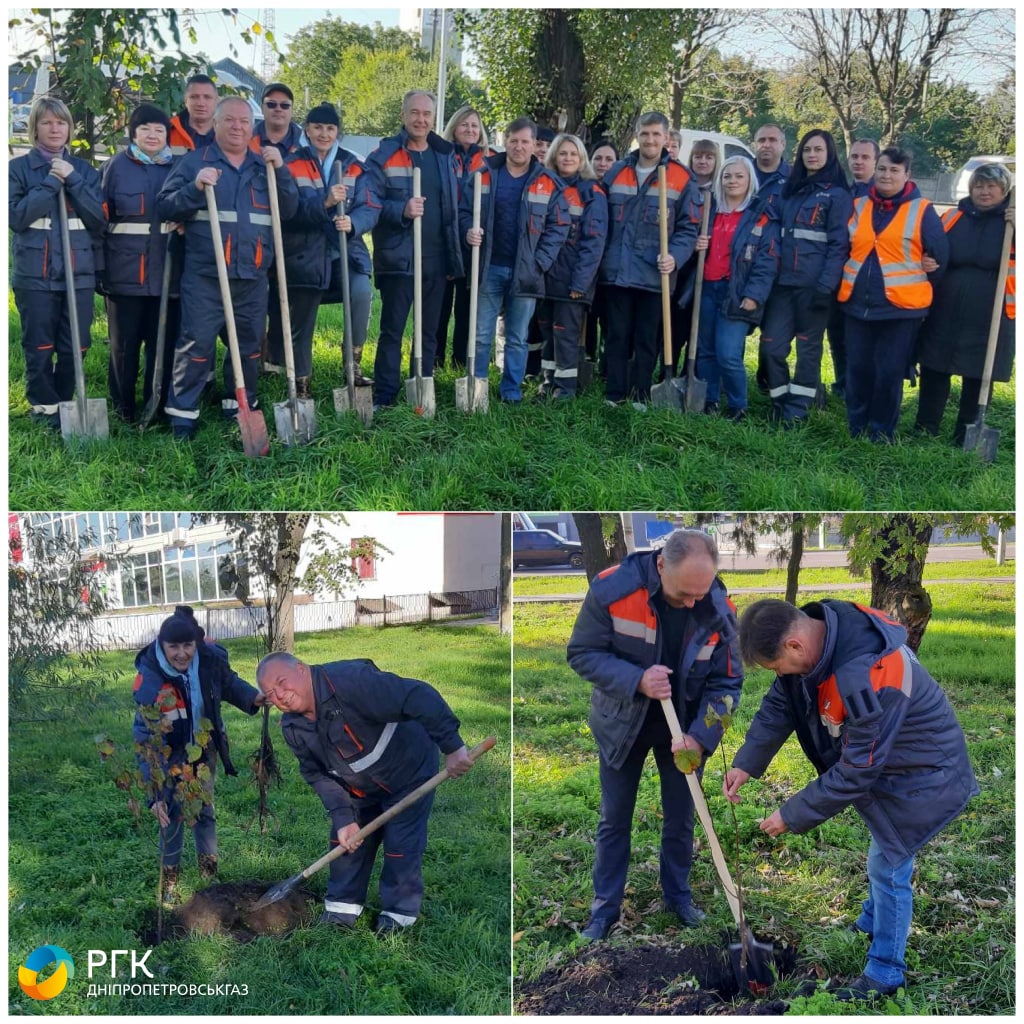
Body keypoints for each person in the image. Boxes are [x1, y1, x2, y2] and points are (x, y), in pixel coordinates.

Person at [726, 598, 979, 1001]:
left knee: (889, 864)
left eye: (776, 666)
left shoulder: (868, 675)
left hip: (925, 775)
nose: (779, 675)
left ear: (793, 645)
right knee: (883, 852)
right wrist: (746, 764)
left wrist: (790, 815)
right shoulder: (820, 639)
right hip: (891, 767)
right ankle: (868, 923)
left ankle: (884, 973)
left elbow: (858, 771)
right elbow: (782, 703)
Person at [566, 529, 743, 941]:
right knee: (615, 818)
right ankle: (604, 910)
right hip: (621, 722)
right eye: (684, 593)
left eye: (701, 592)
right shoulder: (613, 588)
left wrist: (700, 737)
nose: (694, 602)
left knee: (682, 816)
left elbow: (728, 685)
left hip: (684, 728)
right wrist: (637, 680)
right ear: (661, 564)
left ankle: (678, 897)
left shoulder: (719, 607)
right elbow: (582, 653)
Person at [256, 651, 475, 932]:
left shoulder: (351, 682)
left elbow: (417, 695)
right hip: (357, 786)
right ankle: (340, 911)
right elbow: (316, 774)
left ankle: (398, 915)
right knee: (346, 842)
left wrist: (453, 747)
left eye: (282, 682)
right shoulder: (294, 728)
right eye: (271, 693)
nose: (281, 695)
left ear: (300, 668)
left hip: (408, 769)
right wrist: (343, 817)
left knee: (401, 844)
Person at [157, 96, 299, 440]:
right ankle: (182, 417)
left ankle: (238, 405)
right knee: (197, 343)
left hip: (252, 276)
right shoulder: (196, 162)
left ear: (253, 127)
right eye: (230, 121)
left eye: (244, 122)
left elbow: (291, 209)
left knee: (250, 345)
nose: (237, 127)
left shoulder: (263, 166)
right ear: (216, 124)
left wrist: (280, 170)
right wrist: (195, 188)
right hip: (206, 275)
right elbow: (165, 206)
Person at [132, 606, 264, 901]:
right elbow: (145, 739)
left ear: (196, 643)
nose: (182, 653)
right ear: (161, 645)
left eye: (187, 645)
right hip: (168, 756)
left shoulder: (207, 662)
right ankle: (169, 886)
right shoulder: (151, 680)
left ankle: (209, 876)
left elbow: (228, 684)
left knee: (204, 811)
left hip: (203, 752)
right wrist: (155, 795)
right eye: (173, 647)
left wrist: (253, 696)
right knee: (171, 816)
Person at [264, 102, 378, 397]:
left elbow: (371, 205)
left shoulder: (354, 164)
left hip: (345, 252)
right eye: (317, 128)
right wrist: (324, 204)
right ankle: (302, 383)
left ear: (338, 132)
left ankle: (352, 367)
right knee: (303, 319)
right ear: (307, 130)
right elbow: (287, 212)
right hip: (305, 255)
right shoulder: (291, 163)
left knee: (362, 293)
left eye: (330, 128)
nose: (324, 134)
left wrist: (353, 222)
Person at [837, 146, 947, 442]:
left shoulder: (922, 210)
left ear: (907, 175)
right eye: (883, 169)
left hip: (901, 309)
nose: (887, 175)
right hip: (857, 304)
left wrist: (931, 266)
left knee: (889, 372)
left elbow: (939, 258)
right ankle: (856, 426)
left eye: (894, 170)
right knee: (858, 369)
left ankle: (881, 430)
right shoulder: (858, 204)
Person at [10, 96, 106, 428]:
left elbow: (97, 219)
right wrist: (52, 182)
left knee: (75, 346)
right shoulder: (18, 170)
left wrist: (73, 180)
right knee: (38, 345)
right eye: (47, 122)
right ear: (35, 127)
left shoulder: (85, 172)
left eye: (61, 122)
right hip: (34, 274)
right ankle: (43, 407)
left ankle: (66, 405)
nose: (55, 128)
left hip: (78, 273)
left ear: (70, 128)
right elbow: (16, 217)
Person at [365, 90, 464, 410]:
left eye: (426, 114)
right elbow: (370, 203)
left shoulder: (444, 155)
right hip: (400, 258)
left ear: (434, 118)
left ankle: (421, 392)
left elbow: (453, 205)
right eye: (414, 113)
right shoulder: (385, 154)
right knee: (392, 330)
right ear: (403, 115)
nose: (420, 119)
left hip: (436, 258)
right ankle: (385, 395)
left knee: (429, 332)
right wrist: (401, 210)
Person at [461, 117, 570, 404]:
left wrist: (539, 263)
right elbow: (462, 212)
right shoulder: (483, 175)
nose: (519, 147)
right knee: (482, 334)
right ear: (504, 141)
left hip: (526, 273)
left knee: (518, 338)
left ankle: (511, 391)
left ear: (535, 145)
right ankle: (477, 389)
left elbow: (559, 226)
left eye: (525, 141)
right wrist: (467, 230)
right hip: (488, 268)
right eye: (514, 140)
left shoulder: (547, 183)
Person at [599, 111, 700, 407]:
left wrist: (676, 257)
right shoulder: (617, 171)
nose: (650, 139)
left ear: (666, 138)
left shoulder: (681, 177)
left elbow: (688, 227)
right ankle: (615, 394)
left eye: (657, 134)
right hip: (617, 270)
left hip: (655, 274)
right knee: (617, 335)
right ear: (636, 134)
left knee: (646, 338)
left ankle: (641, 393)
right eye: (645, 133)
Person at [915, 161, 1014, 444]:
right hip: (945, 308)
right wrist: (926, 259)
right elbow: (929, 247)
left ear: (1004, 190)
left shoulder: (1012, 222)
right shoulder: (952, 217)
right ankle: (926, 427)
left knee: (979, 374)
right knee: (934, 367)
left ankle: (966, 432)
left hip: (991, 314)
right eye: (979, 186)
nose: (984, 192)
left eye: (991, 186)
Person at [759, 129, 852, 425]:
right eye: (807, 150)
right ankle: (779, 400)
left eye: (818, 150)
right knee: (772, 346)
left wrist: (826, 286)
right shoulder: (789, 189)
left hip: (815, 288)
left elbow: (839, 245)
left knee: (807, 352)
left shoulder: (837, 194)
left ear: (830, 155)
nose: (812, 155)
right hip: (782, 286)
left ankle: (797, 411)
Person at [100, 103, 180, 423]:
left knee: (161, 346)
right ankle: (123, 409)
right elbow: (99, 220)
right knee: (124, 348)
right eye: (145, 128)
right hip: (124, 275)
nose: (152, 135)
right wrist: (99, 271)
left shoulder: (179, 168)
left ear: (167, 135)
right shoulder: (114, 167)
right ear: (133, 133)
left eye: (159, 130)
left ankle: (155, 405)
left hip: (168, 277)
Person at [693, 156, 780, 421]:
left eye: (739, 176)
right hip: (706, 287)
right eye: (727, 176)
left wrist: (754, 295)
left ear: (749, 180)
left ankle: (737, 405)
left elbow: (768, 260)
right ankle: (709, 400)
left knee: (728, 353)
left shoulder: (760, 214)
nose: (732, 181)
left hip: (737, 292)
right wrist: (697, 245)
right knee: (705, 350)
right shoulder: (710, 209)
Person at [535, 133, 608, 399]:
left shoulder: (592, 192)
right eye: (562, 153)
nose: (567, 158)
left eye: (573, 154)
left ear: (581, 159)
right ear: (553, 156)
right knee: (547, 334)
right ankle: (547, 384)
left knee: (565, 336)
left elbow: (594, 243)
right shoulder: (544, 186)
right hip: (544, 278)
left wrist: (581, 283)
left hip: (572, 281)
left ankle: (564, 391)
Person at [437, 105, 492, 369]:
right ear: (454, 128)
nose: (470, 130)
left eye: (474, 125)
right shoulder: (443, 156)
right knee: (439, 306)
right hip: (445, 240)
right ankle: (433, 363)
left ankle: (460, 364)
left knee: (467, 308)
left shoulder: (490, 160)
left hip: (475, 241)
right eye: (464, 125)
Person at [827, 139, 879, 399]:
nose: (858, 161)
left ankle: (859, 387)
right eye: (855, 156)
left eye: (865, 157)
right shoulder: (845, 191)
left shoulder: (879, 196)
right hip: (839, 275)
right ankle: (842, 384)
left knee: (859, 340)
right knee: (837, 335)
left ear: (875, 161)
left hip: (865, 279)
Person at [585, 140, 620, 372]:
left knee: (610, 319)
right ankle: (586, 361)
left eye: (609, 159)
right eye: (598, 158)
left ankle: (606, 367)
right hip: (587, 265)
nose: (603, 163)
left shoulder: (620, 190)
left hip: (612, 266)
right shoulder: (584, 187)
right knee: (586, 318)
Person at [168, 74, 218, 155]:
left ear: (216, 101)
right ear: (185, 100)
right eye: (194, 97)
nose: (201, 103)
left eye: (207, 97)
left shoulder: (231, 133)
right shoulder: (166, 131)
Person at [251, 82, 302, 158]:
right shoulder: (245, 141)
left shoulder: (306, 143)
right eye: (271, 104)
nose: (278, 109)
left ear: (292, 110)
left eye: (285, 105)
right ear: (262, 108)